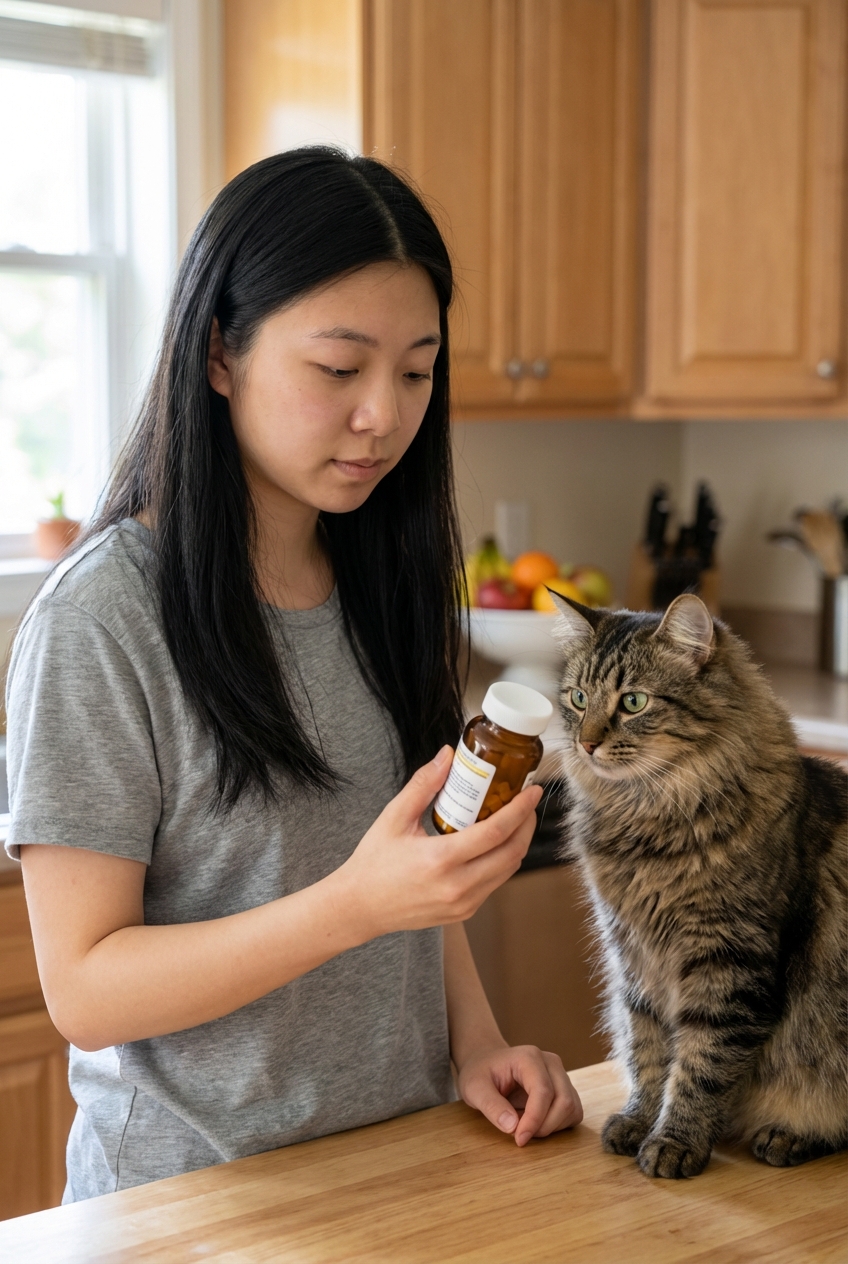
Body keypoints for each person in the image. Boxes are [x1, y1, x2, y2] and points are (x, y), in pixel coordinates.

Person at [5, 148, 582, 1203]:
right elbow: (85, 988)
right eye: (338, 369)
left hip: (396, 1172)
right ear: (219, 351)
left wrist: (476, 1046)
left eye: (415, 372)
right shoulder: (102, 618)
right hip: (192, 1209)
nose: (384, 415)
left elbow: (415, 874)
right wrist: (352, 906)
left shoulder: (380, 576)